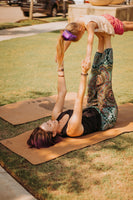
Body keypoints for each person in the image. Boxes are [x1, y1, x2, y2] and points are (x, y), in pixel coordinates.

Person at [27, 31, 118, 149]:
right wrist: (83, 72)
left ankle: (101, 39)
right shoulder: (71, 129)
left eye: (46, 122)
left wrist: (60, 68)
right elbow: (79, 99)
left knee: (94, 75)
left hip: (93, 106)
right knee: (104, 77)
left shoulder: (56, 117)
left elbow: (62, 93)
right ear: (54, 133)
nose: (50, 120)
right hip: (106, 113)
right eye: (49, 124)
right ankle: (107, 37)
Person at [56, 14, 133, 71]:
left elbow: (90, 41)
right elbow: (69, 39)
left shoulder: (89, 25)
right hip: (104, 17)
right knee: (123, 24)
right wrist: (61, 53)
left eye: (81, 35)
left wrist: (88, 58)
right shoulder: (77, 23)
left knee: (125, 28)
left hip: (109, 23)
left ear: (80, 30)